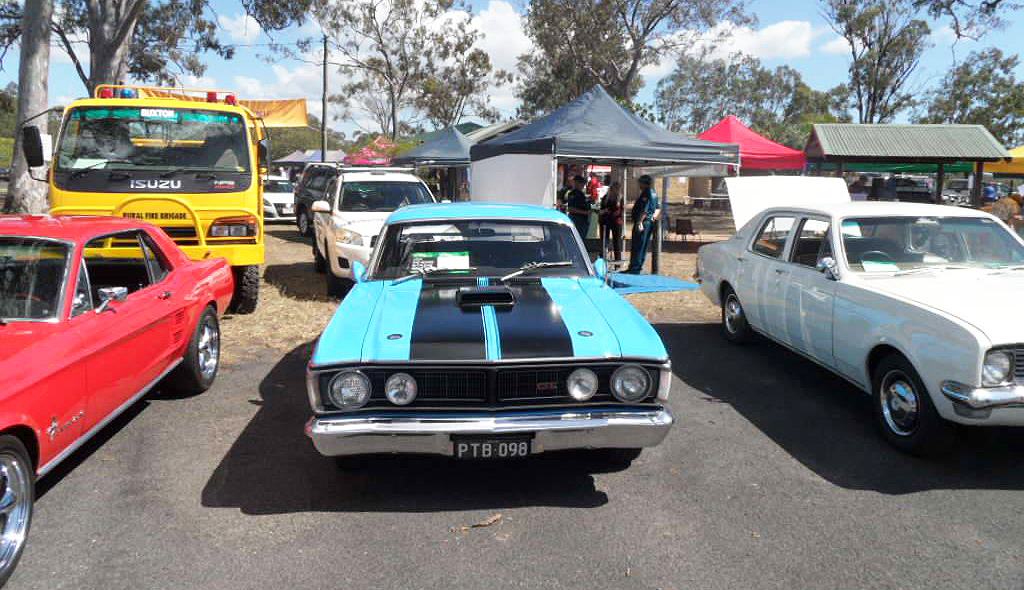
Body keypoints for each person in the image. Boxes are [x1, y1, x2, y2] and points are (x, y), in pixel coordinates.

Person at [627, 175, 660, 273]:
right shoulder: (653, 192)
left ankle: (635, 268)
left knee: (638, 245)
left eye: (640, 183)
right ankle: (637, 266)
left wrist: (639, 222)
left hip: (643, 222)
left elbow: (644, 210)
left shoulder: (647, 193)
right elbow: (657, 208)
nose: (639, 185)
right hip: (648, 222)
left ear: (644, 183)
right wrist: (653, 218)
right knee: (643, 245)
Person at [599, 181, 623, 260]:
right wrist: (605, 211)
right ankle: (602, 259)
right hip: (606, 221)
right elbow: (601, 211)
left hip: (616, 222)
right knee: (604, 242)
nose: (616, 190)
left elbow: (622, 211)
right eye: (614, 188)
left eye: (617, 189)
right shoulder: (606, 198)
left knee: (617, 242)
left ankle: (617, 261)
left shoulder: (620, 199)